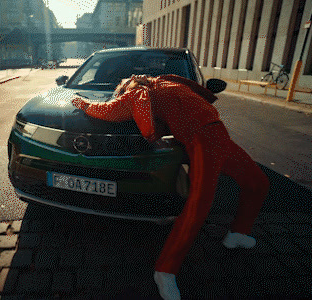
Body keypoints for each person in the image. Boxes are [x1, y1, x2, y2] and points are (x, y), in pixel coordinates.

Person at [71, 74, 269, 300]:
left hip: (220, 135)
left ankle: (237, 234)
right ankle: (165, 271)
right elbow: (108, 110)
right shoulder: (138, 94)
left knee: (258, 183)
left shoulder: (163, 81)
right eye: (126, 82)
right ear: (126, 88)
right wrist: (82, 103)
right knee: (197, 209)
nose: (133, 78)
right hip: (202, 139)